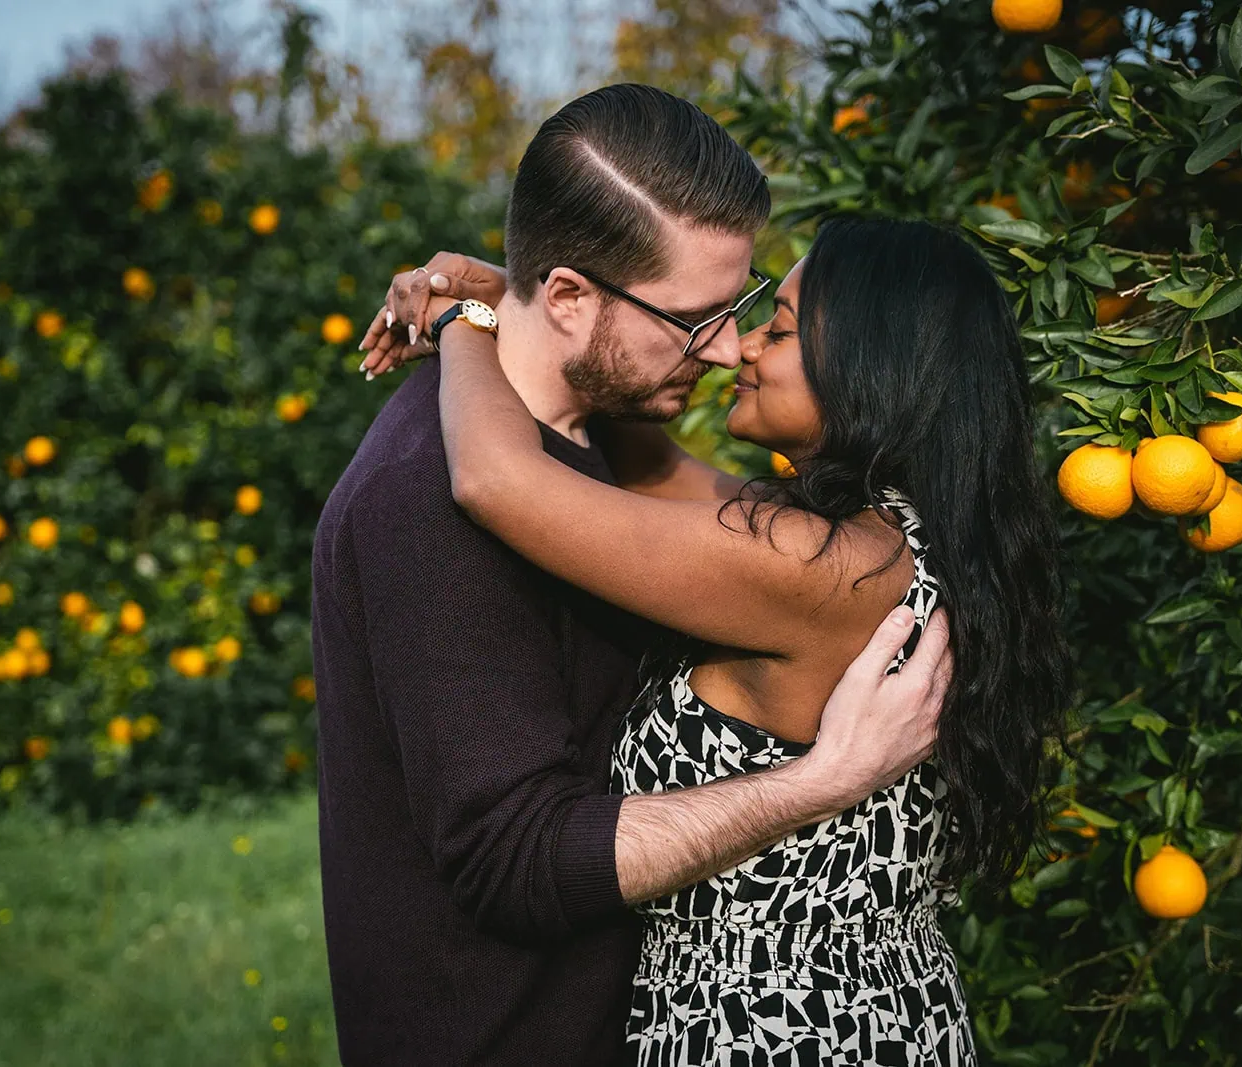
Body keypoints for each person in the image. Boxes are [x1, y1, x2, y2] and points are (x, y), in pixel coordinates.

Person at [313, 84, 955, 1066]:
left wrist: (482, 303)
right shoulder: (425, 496)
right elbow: (515, 852)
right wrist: (820, 782)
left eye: (743, 310)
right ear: (568, 296)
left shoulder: (599, 447)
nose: (729, 347)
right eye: (697, 317)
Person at [365, 213, 1073, 1064]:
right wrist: (527, 301)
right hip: (866, 1009)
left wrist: (461, 325)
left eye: (776, 329)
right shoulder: (878, 542)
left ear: (868, 368)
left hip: (785, 1031)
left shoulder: (818, 568)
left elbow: (494, 479)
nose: (738, 351)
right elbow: (655, 466)